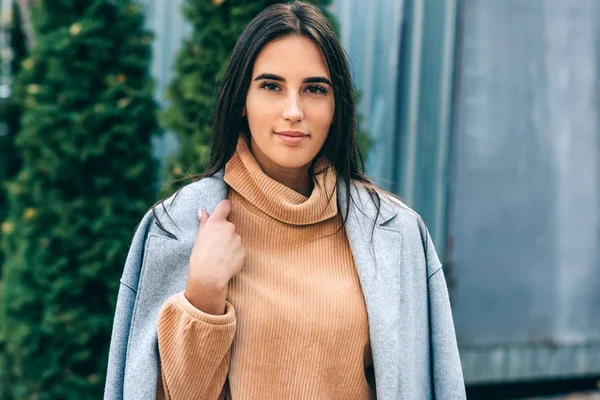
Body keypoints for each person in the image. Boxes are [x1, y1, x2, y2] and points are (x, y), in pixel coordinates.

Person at [104, 2, 465, 399]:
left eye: (314, 89)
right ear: (242, 100)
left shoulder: (398, 235)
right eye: (271, 86)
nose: (294, 111)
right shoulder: (175, 228)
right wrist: (203, 292)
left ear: (335, 106)